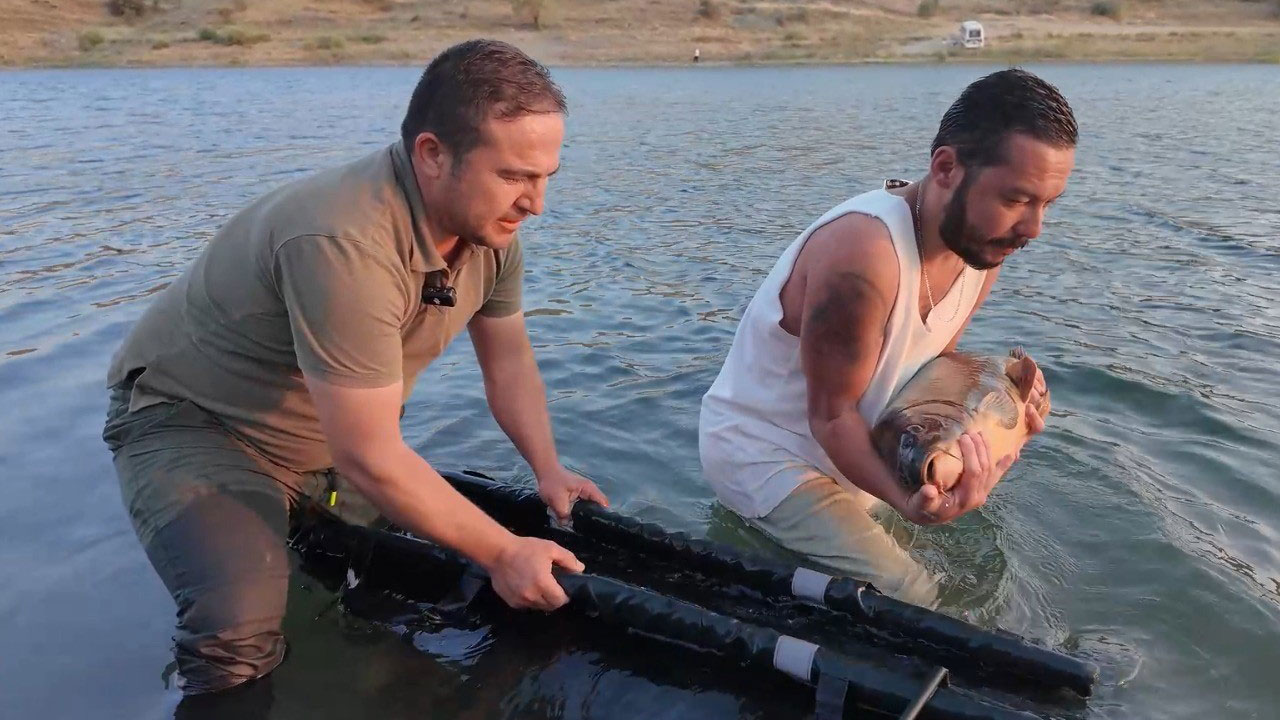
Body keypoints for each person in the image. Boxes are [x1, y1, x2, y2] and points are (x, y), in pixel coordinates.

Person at [102, 39, 608, 696]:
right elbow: (370, 453)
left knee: (393, 580)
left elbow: (509, 363)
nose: (535, 204)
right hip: (200, 427)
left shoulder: (491, 236)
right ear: (432, 154)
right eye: (514, 176)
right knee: (238, 625)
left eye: (546, 178)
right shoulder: (342, 240)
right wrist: (505, 552)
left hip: (331, 441)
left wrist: (548, 470)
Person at [698, 68, 1076, 607]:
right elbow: (829, 415)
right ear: (946, 168)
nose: (1034, 228)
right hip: (767, 455)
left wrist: (1006, 401)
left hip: (850, 446)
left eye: (1048, 204)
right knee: (913, 593)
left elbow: (931, 367)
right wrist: (907, 500)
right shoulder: (865, 257)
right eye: (1017, 199)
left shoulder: (982, 247)